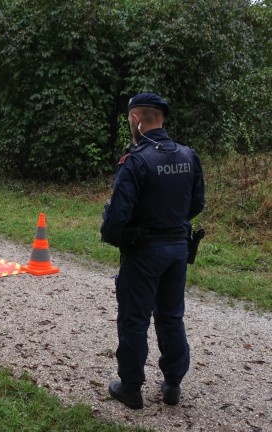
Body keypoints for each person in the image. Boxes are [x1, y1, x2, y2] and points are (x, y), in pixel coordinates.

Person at [101, 93, 205, 409]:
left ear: (136, 119)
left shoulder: (136, 160)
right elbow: (197, 203)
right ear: (162, 119)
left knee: (134, 319)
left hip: (144, 252)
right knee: (171, 316)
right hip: (177, 249)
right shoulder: (189, 156)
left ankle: (131, 388)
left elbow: (118, 215)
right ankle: (172, 384)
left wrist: (115, 236)